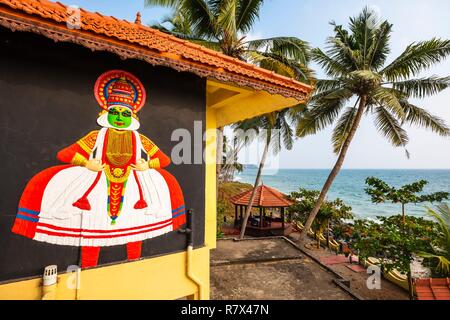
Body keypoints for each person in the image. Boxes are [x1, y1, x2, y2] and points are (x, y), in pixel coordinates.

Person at [12, 70, 186, 268]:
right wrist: (87, 163)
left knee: (135, 224)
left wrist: (147, 165)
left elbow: (164, 160)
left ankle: (134, 266)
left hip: (133, 188)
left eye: (125, 113)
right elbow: (64, 155)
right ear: (106, 112)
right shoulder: (96, 137)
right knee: (93, 226)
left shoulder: (140, 139)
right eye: (115, 112)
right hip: (97, 186)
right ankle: (87, 270)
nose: (120, 117)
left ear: (133, 115)